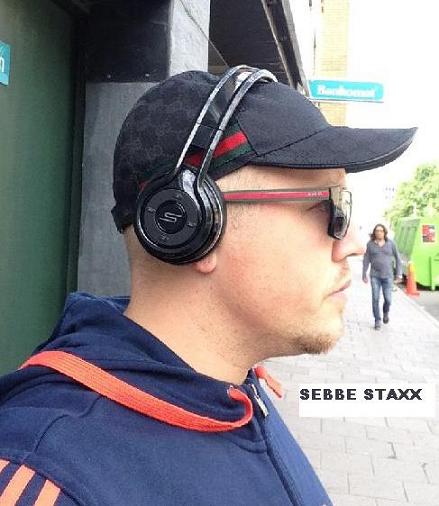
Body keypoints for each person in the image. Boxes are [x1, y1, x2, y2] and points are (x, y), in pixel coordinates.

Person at [0, 66, 416, 505]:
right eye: (328, 206)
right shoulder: (47, 482)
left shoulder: (236, 396)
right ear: (189, 222)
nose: (352, 243)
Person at [362, 223, 403, 330]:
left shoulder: (391, 243)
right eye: (377, 231)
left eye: (381, 231)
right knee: (375, 298)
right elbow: (366, 259)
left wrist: (399, 274)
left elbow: (398, 258)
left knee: (388, 299)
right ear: (374, 232)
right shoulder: (370, 244)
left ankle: (385, 312)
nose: (379, 232)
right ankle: (377, 320)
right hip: (375, 276)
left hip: (388, 276)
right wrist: (364, 273)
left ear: (384, 232)